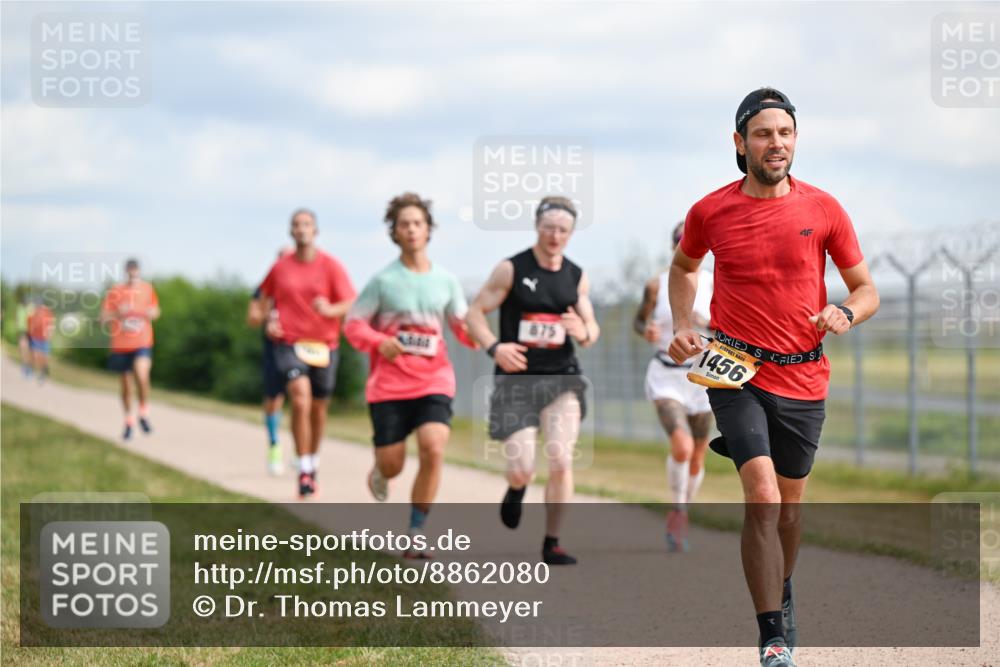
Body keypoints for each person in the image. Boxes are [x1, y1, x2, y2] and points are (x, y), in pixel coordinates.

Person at [667, 88, 879, 666]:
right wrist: (686, 324)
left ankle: (781, 592)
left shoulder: (824, 209)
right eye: (763, 133)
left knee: (789, 509)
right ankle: (772, 636)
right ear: (740, 143)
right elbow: (684, 266)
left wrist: (845, 312)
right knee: (761, 496)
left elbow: (867, 290)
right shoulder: (710, 211)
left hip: (804, 375)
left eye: (784, 133)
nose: (775, 143)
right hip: (735, 370)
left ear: (795, 140)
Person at [466, 195, 600, 566]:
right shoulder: (511, 269)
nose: (555, 236)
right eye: (548, 228)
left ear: (571, 234)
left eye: (563, 230)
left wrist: (583, 329)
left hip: (562, 379)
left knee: (560, 457)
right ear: (537, 227)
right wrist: (495, 347)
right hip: (517, 381)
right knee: (522, 465)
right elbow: (474, 313)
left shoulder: (576, 275)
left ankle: (552, 542)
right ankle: (516, 487)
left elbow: (591, 330)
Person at [344, 192, 477, 558]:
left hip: (434, 379)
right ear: (395, 232)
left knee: (434, 447)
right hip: (389, 385)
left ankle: (416, 531)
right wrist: (378, 341)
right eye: (404, 224)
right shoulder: (383, 281)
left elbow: (462, 327)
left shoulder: (446, 281)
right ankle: (380, 471)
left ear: (429, 229)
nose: (412, 229)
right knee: (394, 464)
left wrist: (478, 333)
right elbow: (353, 325)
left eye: (418, 223)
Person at [258, 209, 356, 499]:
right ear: (291, 231)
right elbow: (263, 301)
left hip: (325, 345)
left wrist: (330, 310)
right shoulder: (280, 267)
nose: (302, 230)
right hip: (289, 343)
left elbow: (350, 302)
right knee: (299, 397)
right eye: (297, 225)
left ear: (316, 231)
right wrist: (269, 321)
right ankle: (302, 467)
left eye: (307, 225)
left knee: (318, 409)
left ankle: (312, 463)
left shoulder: (331, 266)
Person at [633, 221, 714, 552]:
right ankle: (678, 510)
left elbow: (731, 326)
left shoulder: (717, 283)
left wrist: (708, 323)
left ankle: (681, 510)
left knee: (697, 456)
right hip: (666, 373)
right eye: (682, 241)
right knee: (681, 446)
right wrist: (646, 331)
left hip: (704, 376)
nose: (687, 245)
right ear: (674, 246)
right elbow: (640, 320)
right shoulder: (657, 284)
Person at [101, 258, 160, 440]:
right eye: (130, 271)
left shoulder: (147, 289)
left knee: (142, 375)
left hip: (142, 342)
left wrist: (152, 313)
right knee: (126, 385)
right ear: (126, 271)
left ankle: (143, 412)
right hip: (121, 345)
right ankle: (129, 421)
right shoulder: (116, 291)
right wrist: (118, 313)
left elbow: (156, 311)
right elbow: (102, 318)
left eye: (136, 271)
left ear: (139, 272)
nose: (133, 274)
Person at [247, 248, 294, 475]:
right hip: (274, 351)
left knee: (302, 399)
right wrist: (267, 317)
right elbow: (252, 317)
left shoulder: (303, 287)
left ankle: (301, 452)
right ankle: (274, 444)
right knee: (273, 400)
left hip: (299, 350)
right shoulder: (265, 288)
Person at [26, 299, 55, 383]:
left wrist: (50, 335)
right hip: (36, 337)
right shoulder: (34, 312)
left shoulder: (48, 313)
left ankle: (42, 372)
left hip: (44, 339)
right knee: (36, 355)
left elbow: (51, 325)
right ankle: (33, 370)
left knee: (44, 357)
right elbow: (30, 323)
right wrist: (30, 334)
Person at [15, 292, 35, 378]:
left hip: (30, 332)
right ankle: (25, 367)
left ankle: (29, 368)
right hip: (22, 331)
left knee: (30, 351)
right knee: (23, 350)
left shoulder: (31, 308)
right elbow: (17, 319)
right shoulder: (20, 308)